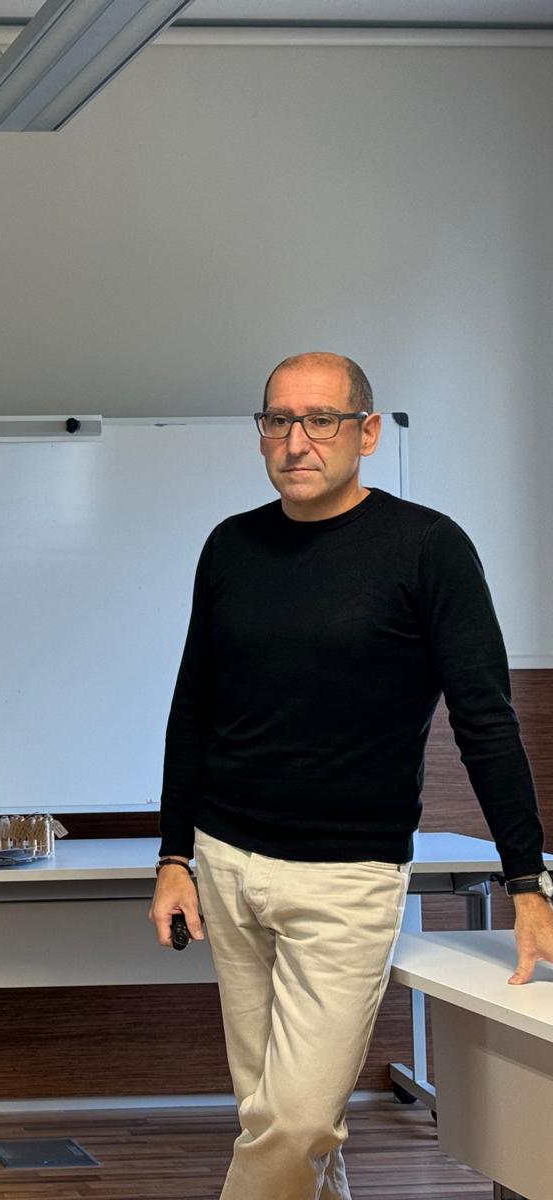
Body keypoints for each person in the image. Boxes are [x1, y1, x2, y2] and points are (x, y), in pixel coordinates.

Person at [149, 351, 553, 1200]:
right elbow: (193, 710)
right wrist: (174, 857)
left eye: (320, 420)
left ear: (366, 431)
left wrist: (526, 879)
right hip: (226, 865)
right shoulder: (231, 547)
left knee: (294, 1123)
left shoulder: (429, 549)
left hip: (347, 878)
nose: (297, 441)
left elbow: (485, 720)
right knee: (273, 1116)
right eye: (278, 421)